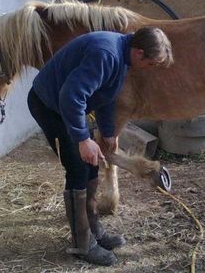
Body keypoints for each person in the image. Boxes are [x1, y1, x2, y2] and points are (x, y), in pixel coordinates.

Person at [27, 26, 173, 266]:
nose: (152, 70)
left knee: (91, 164)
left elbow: (106, 95)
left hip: (70, 106)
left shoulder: (123, 57)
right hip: (50, 106)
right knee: (78, 168)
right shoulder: (107, 54)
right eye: (153, 64)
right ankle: (82, 245)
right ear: (139, 53)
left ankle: (94, 231)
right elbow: (70, 95)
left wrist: (107, 132)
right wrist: (83, 139)